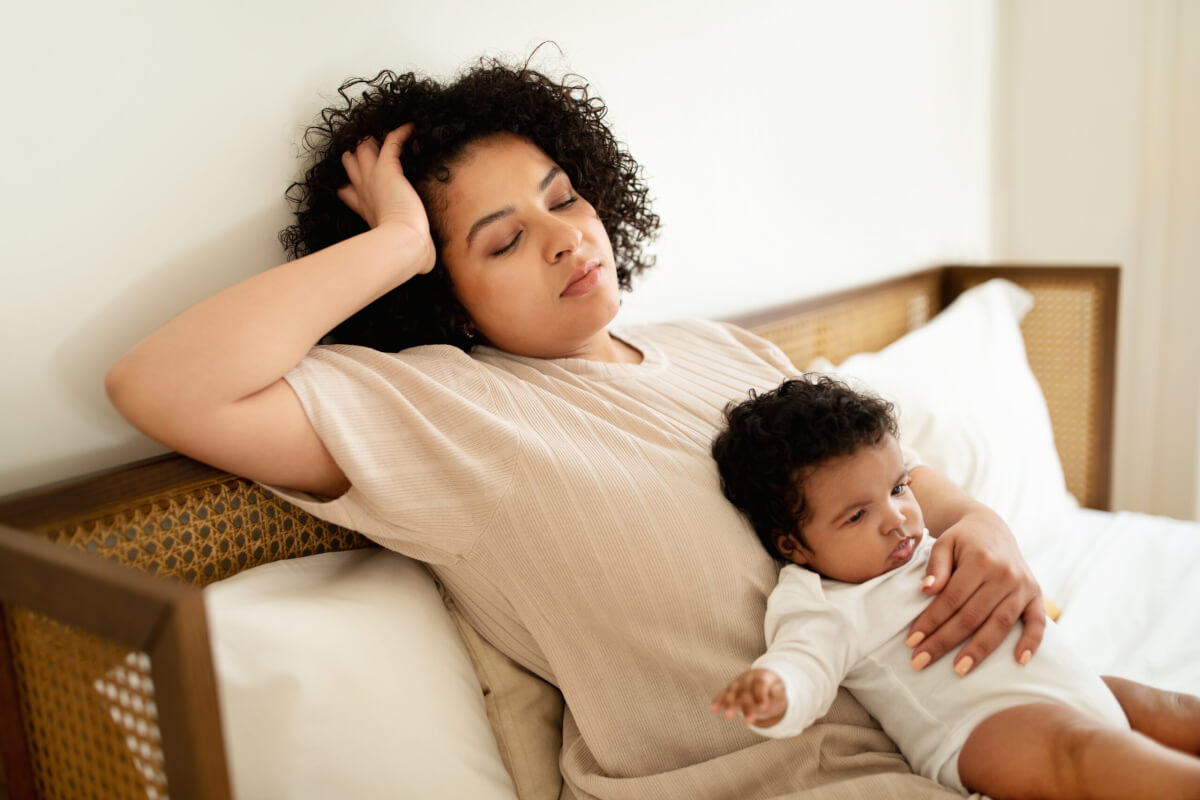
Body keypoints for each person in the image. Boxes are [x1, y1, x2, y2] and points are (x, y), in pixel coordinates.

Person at [107, 57, 1051, 799]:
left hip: (968, 731)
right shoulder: (446, 409)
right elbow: (163, 387)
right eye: (502, 239)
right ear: (442, 295)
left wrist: (982, 523)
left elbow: (896, 479)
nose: (564, 236)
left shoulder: (720, 348)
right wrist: (393, 244)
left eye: (562, 199)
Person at [709, 376, 1200, 798]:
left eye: (899, 489)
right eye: (858, 515)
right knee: (1082, 751)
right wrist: (775, 691)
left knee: (1172, 708)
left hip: (1074, 688)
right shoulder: (822, 602)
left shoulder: (925, 542)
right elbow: (805, 663)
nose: (897, 519)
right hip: (983, 730)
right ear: (792, 544)